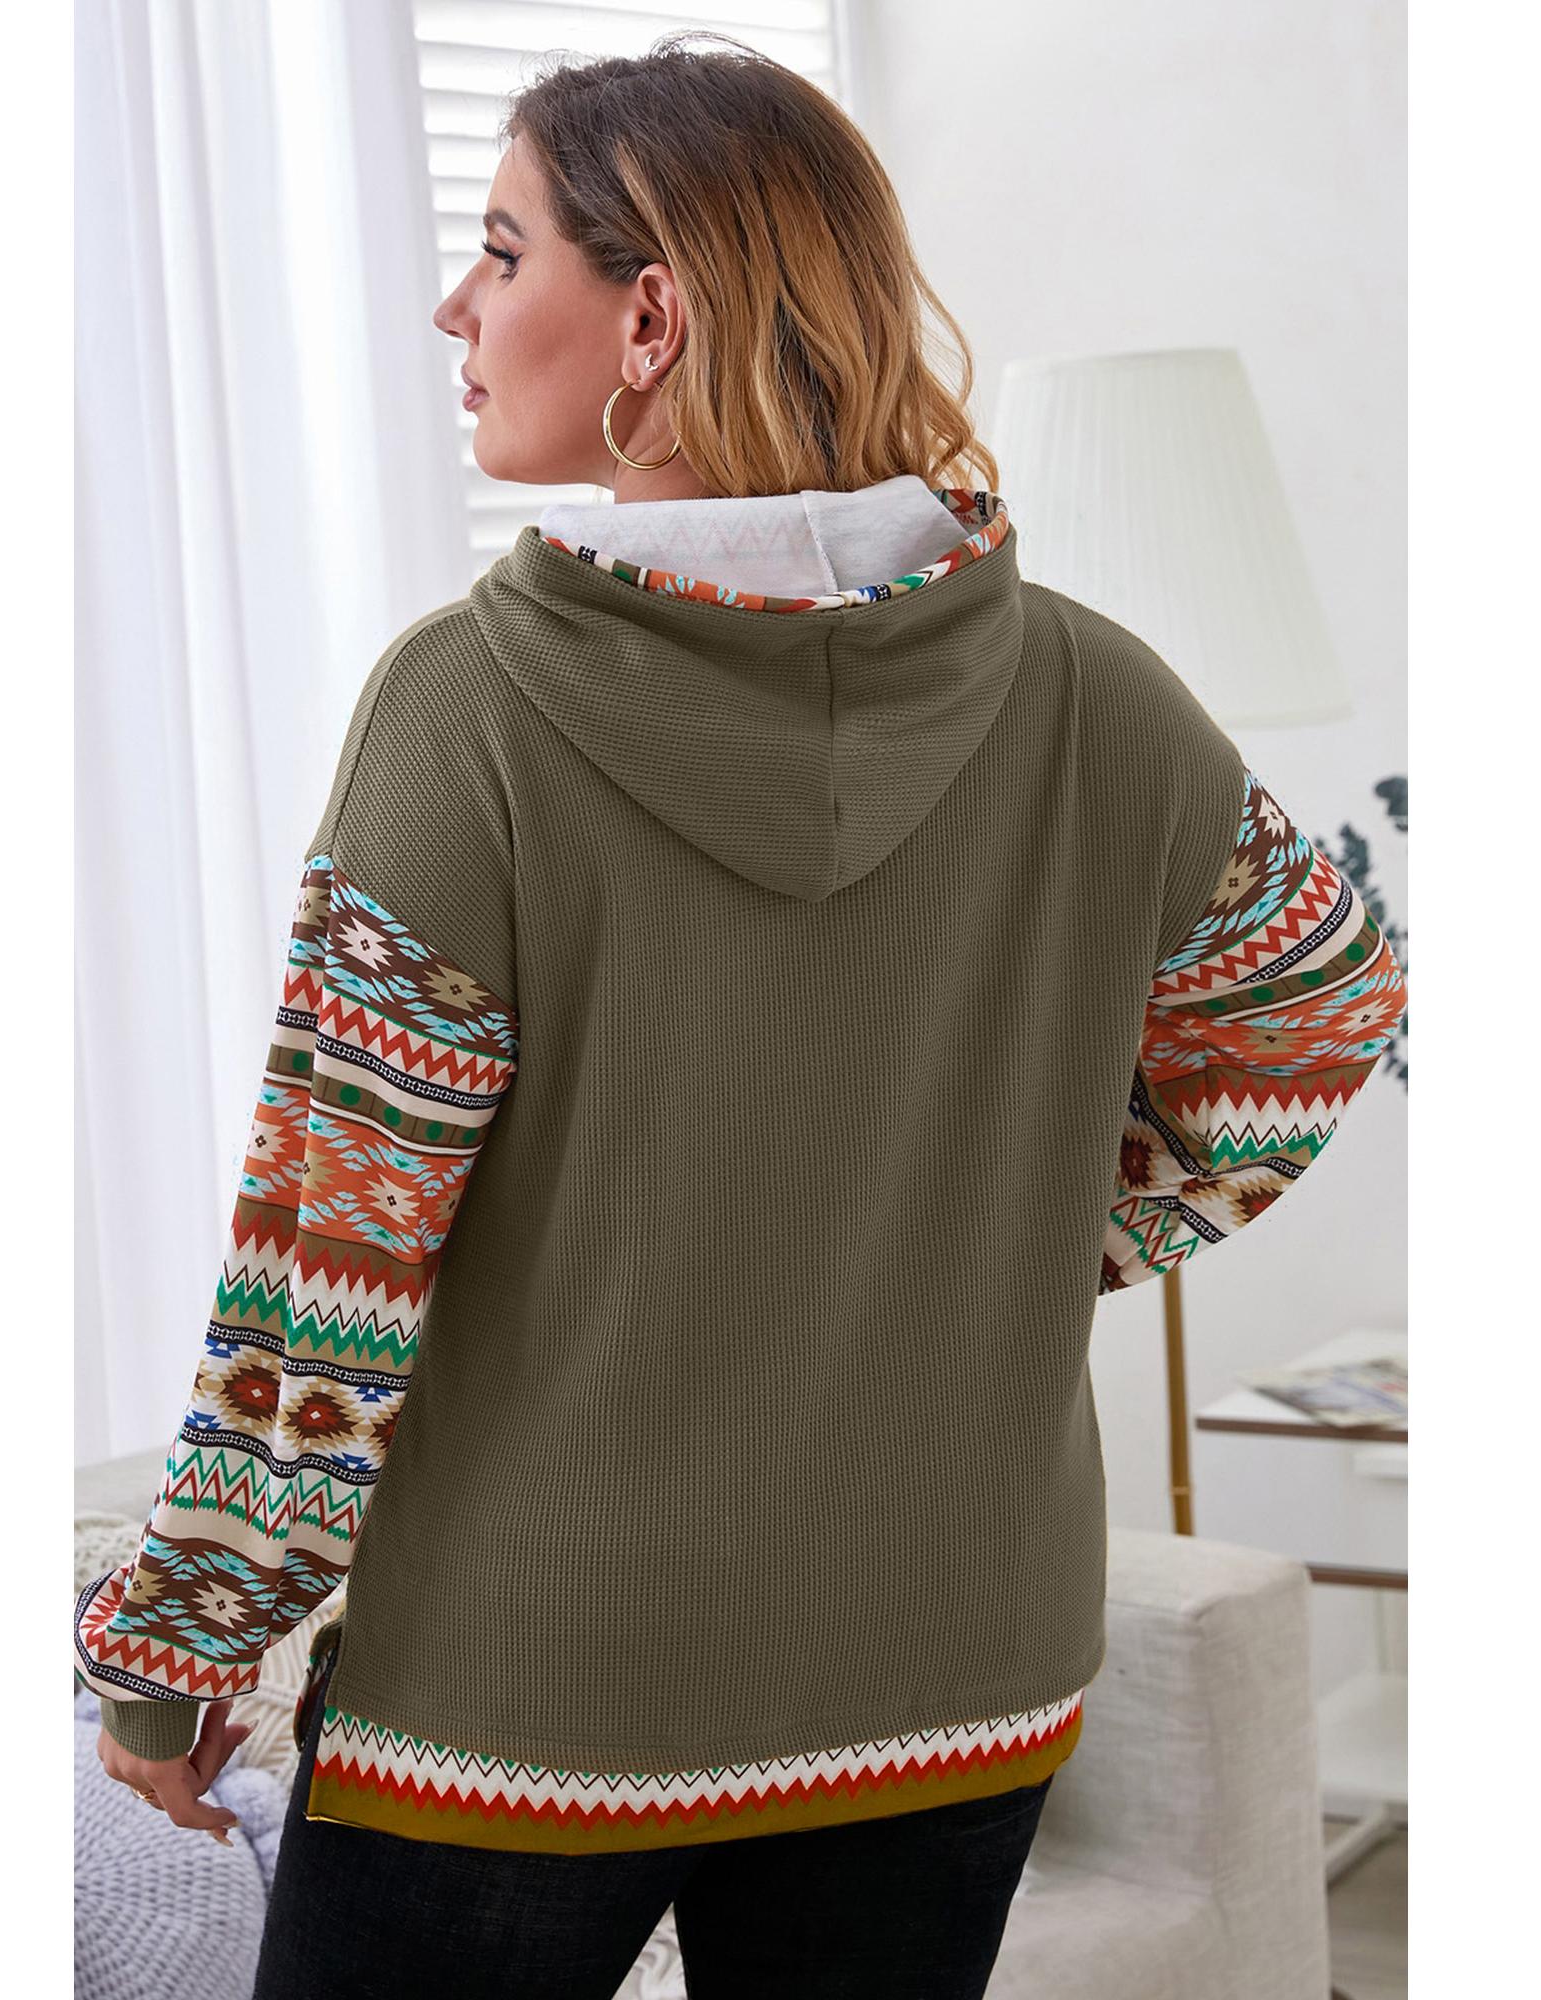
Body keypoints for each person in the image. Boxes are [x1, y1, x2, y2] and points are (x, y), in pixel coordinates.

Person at [74, 32, 1407, 2000]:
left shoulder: (470, 710)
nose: (454, 308)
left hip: (530, 1701)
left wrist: (177, 1650)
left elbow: (328, 1263)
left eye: (501, 251)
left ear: (653, 317)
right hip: (954, 1661)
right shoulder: (1093, 691)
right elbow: (1317, 1005)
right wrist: (1035, 1229)